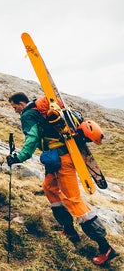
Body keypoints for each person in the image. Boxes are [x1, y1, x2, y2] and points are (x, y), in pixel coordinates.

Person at [7, 92, 118, 266]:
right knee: (49, 188)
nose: (15, 111)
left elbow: (33, 137)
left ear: (21, 103)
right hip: (56, 158)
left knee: (73, 200)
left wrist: (19, 157)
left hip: (63, 159)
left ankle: (105, 247)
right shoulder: (39, 110)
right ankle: (69, 230)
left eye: (15, 107)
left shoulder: (28, 114)